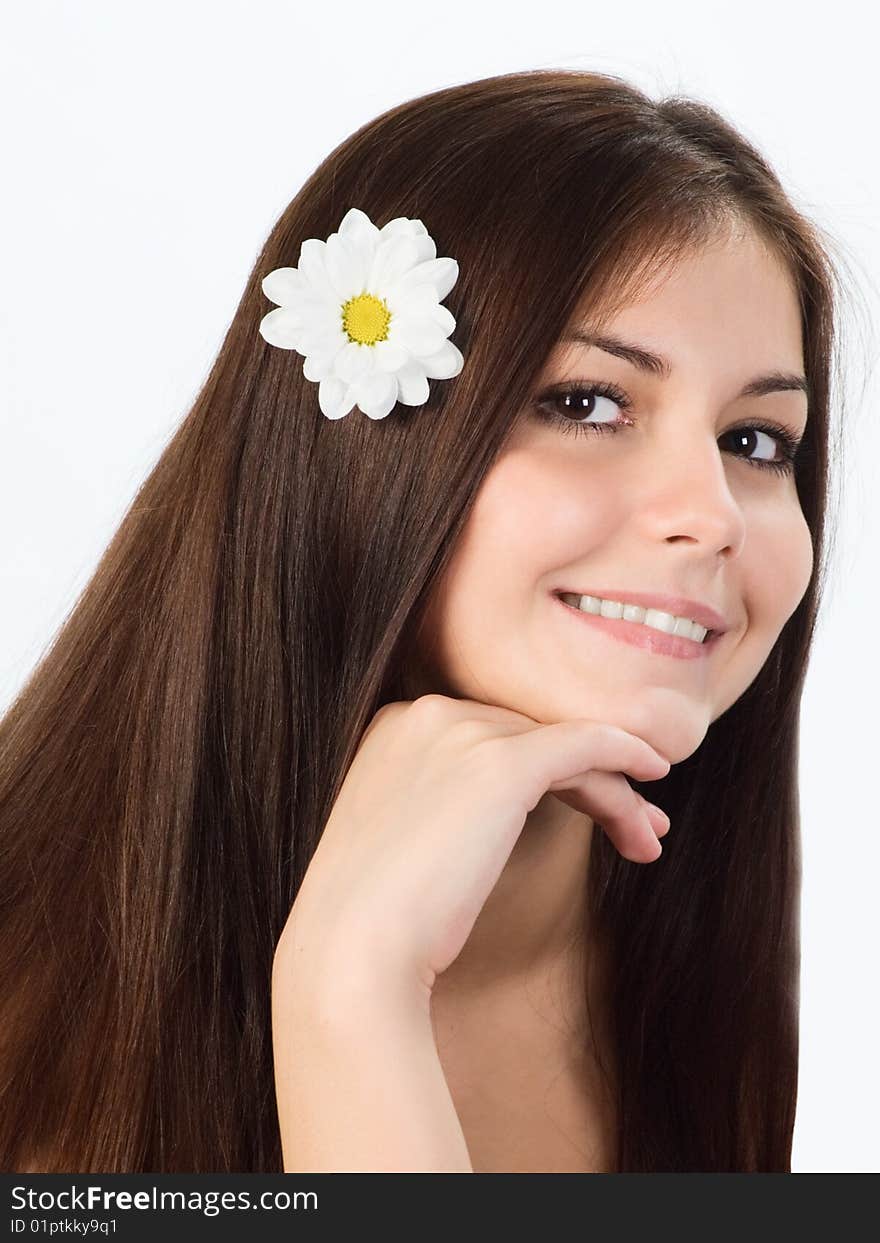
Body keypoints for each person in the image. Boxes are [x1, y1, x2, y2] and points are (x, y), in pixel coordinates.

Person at [0, 67, 845, 1173]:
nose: (712, 515)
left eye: (753, 441)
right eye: (585, 403)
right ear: (364, 449)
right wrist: (351, 994)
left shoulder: (686, 963)